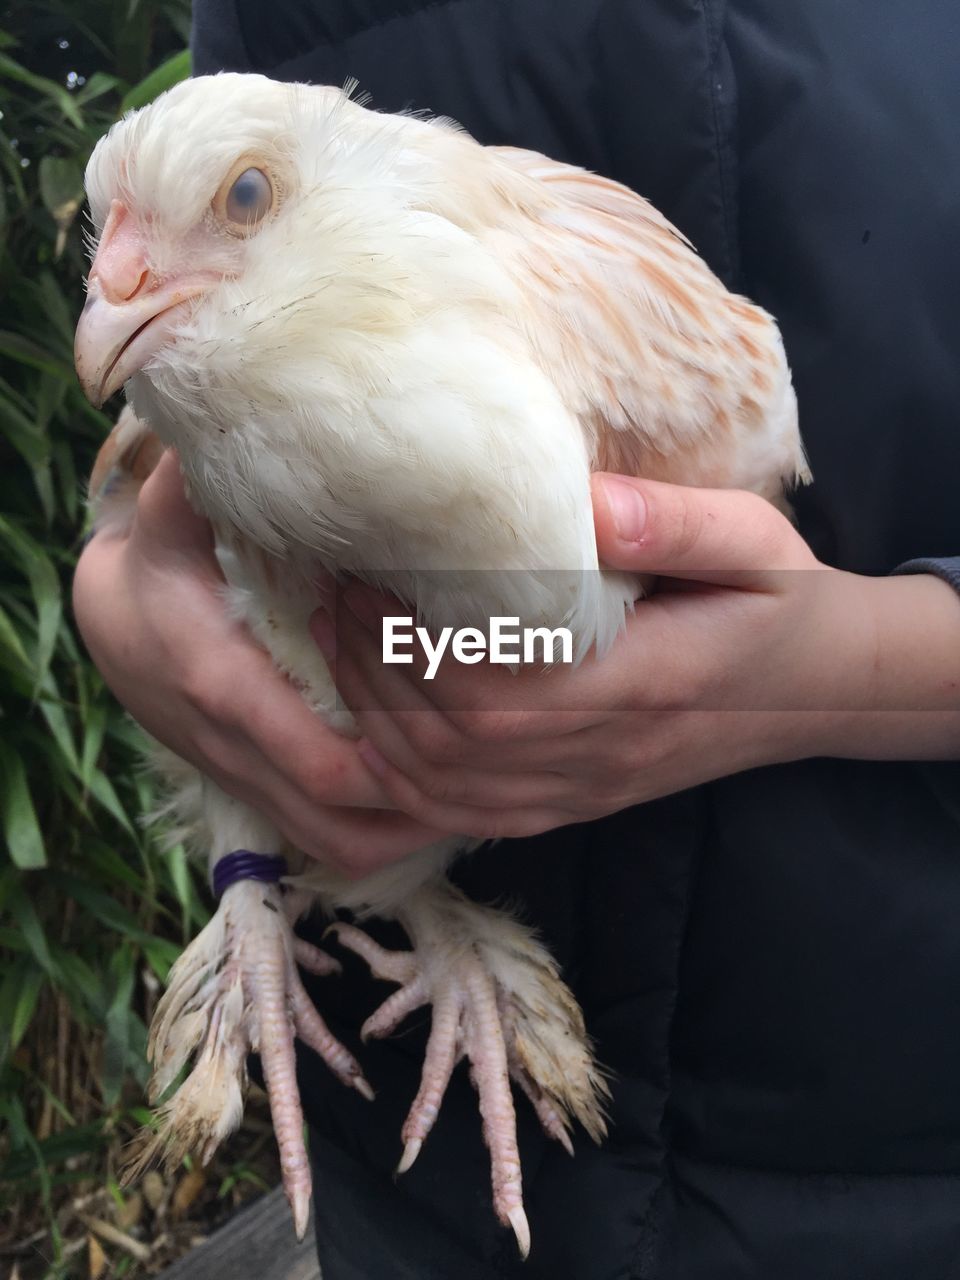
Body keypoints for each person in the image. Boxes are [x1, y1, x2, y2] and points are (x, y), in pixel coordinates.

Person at [73, 2, 960, 1276]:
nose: (113, 296)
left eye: (242, 202)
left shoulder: (648, 345)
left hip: (890, 1116)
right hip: (413, 1176)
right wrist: (120, 599)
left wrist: (853, 670)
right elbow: (137, 511)